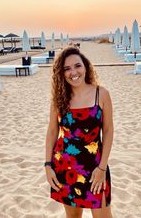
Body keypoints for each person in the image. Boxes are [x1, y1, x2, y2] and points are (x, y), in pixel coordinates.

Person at [45, 46, 114, 218]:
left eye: (77, 66)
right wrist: (47, 165)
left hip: (95, 169)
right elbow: (52, 130)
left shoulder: (101, 94)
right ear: (61, 74)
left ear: (86, 67)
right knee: (73, 216)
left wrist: (102, 168)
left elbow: (108, 130)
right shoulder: (59, 98)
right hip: (64, 167)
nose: (73, 72)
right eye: (67, 69)